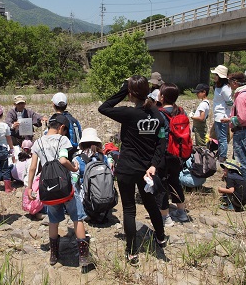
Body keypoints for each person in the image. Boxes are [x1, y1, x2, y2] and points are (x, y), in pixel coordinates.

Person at [99, 75, 167, 265]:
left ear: (130, 94)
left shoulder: (129, 114)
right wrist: (154, 164)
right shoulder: (156, 114)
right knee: (150, 203)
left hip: (127, 167)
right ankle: (160, 238)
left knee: (129, 209)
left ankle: (132, 252)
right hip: (147, 169)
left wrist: (123, 88)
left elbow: (103, 107)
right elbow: (162, 141)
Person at [27, 114, 92, 269]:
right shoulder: (63, 140)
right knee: (77, 218)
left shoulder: (38, 143)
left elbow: (32, 168)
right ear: (62, 128)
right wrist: (74, 168)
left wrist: (29, 187)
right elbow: (63, 160)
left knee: (53, 220)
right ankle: (83, 257)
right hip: (65, 187)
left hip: (49, 189)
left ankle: (54, 254)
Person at [157, 83, 189, 225]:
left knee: (162, 184)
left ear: (162, 97)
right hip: (178, 154)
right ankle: (182, 213)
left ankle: (166, 217)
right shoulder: (181, 111)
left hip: (163, 154)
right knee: (175, 181)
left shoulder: (159, 113)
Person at [221, 72, 246, 183]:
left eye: (230, 82)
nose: (229, 85)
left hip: (242, 131)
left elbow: (241, 118)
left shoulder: (241, 97)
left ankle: (244, 188)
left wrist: (229, 120)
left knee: (242, 161)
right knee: (241, 159)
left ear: (235, 83)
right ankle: (237, 184)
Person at [72, 128, 109, 222]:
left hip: (86, 197)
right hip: (105, 196)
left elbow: (74, 182)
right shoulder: (103, 158)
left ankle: (85, 211)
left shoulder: (78, 159)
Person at [211, 65, 233, 163]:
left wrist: (227, 113)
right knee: (219, 137)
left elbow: (230, 102)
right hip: (217, 115)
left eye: (216, 75)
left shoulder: (225, 88)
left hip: (222, 116)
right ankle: (220, 153)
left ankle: (222, 157)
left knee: (223, 138)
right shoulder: (218, 87)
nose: (214, 76)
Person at [51, 92, 82, 160]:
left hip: (65, 151)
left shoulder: (57, 119)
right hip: (76, 150)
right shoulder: (74, 119)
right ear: (66, 105)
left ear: (53, 105)